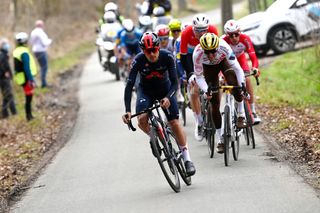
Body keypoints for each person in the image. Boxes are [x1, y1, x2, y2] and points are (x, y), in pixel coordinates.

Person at [122, 32, 196, 176]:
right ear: (143, 51)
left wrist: (168, 97)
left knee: (174, 122)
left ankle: (187, 159)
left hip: (165, 90)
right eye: (148, 51)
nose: (152, 54)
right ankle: (153, 136)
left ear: (158, 47)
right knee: (142, 119)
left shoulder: (167, 56)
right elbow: (129, 85)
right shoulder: (138, 60)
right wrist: (127, 110)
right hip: (146, 92)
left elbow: (175, 83)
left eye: (154, 49)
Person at [193, 32, 245, 153]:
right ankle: (220, 138)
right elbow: (199, 77)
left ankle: (241, 114)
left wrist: (242, 84)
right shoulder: (197, 54)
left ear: (217, 48)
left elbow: (238, 68)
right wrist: (207, 90)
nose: (211, 55)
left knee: (235, 84)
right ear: (203, 50)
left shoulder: (224, 47)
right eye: (207, 52)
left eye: (213, 51)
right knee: (214, 103)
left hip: (223, 63)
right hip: (208, 69)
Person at [179, 13, 219, 141]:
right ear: (193, 28)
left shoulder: (213, 30)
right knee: (194, 88)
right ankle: (199, 121)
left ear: (208, 29)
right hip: (191, 59)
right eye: (198, 31)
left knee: (217, 85)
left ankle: (215, 108)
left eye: (204, 31)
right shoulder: (185, 33)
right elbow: (184, 57)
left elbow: (217, 53)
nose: (201, 34)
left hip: (207, 56)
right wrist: (190, 74)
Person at [222, 19, 261, 124]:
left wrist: (255, 67)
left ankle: (252, 111)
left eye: (236, 34)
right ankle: (230, 105)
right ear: (227, 35)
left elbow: (253, 55)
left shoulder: (245, 39)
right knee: (227, 82)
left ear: (240, 32)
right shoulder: (222, 41)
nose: (234, 38)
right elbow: (218, 61)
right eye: (231, 35)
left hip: (240, 59)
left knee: (247, 79)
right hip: (227, 63)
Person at [13, 32, 37, 121]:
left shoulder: (17, 51)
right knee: (29, 97)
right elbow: (26, 67)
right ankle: (28, 116)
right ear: (25, 41)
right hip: (26, 78)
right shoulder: (24, 52)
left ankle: (29, 115)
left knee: (28, 96)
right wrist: (31, 79)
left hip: (21, 77)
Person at [30, 20, 52, 88]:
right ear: (41, 25)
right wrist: (50, 41)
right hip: (41, 51)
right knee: (44, 67)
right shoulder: (41, 32)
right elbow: (45, 42)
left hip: (35, 51)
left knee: (41, 66)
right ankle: (43, 83)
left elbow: (31, 42)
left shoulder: (33, 32)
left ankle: (40, 82)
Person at [0, 38, 17, 119]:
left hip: (4, 78)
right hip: (3, 79)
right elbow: (2, 66)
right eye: (6, 44)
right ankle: (14, 113)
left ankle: (5, 114)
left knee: (6, 95)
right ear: (3, 45)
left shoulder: (4, 54)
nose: (8, 45)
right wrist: (5, 72)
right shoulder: (2, 54)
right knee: (9, 95)